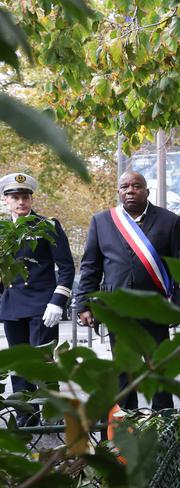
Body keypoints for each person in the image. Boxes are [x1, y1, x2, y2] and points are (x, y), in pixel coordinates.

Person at [75, 171, 180, 410]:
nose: (130, 191)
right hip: (117, 309)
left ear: (147, 191)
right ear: (119, 192)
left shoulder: (170, 221)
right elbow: (91, 266)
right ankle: (126, 421)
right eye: (124, 187)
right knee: (123, 370)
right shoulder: (102, 221)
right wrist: (83, 304)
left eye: (136, 186)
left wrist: (178, 304)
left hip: (156, 308)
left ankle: (163, 420)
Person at [0, 172, 74, 424]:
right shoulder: (2, 230)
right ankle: (26, 415)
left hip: (42, 306)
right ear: (6, 200)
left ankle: (52, 413)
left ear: (31, 199)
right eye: (15, 197)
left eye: (25, 197)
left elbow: (66, 268)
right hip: (11, 304)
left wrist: (58, 301)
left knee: (43, 362)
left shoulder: (47, 226)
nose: (21, 202)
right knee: (19, 362)